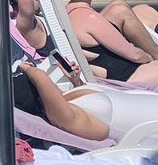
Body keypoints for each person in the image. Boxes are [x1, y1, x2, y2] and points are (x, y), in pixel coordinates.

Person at [62, 0, 158, 83]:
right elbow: (136, 56)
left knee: (118, 5)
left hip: (111, 67)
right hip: (126, 73)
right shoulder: (90, 18)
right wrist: (150, 59)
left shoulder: (69, 11)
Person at [18, 60, 158, 144]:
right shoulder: (66, 118)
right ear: (41, 96)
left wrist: (76, 81)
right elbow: (39, 76)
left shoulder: (70, 100)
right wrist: (25, 67)